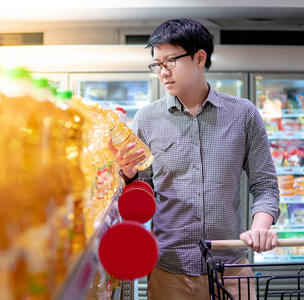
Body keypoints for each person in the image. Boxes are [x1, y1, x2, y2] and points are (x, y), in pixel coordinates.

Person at [108, 18, 280, 299]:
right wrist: (129, 176)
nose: (162, 72)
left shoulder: (244, 114)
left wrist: (260, 230)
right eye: (157, 64)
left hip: (232, 270)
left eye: (170, 61)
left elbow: (265, 187)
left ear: (199, 57)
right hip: (170, 270)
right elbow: (141, 196)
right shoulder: (147, 119)